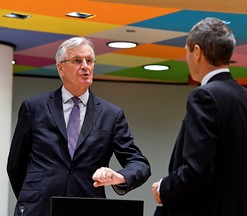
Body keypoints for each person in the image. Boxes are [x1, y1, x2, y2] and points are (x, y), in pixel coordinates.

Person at [7, 36, 151, 216]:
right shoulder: (34, 108)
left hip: (87, 206)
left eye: (89, 61)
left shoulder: (111, 114)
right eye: (77, 60)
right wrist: (31, 196)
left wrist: (118, 176)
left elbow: (139, 163)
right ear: (60, 67)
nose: (85, 66)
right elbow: (15, 164)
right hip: (38, 208)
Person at [151, 17, 247, 216]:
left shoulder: (204, 95)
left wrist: (164, 188)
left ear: (197, 51)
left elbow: (198, 170)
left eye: (186, 51)